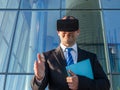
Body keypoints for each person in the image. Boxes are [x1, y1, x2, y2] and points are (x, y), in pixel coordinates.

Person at [31, 16, 110, 90]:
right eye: (64, 27)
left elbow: (105, 84)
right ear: (58, 32)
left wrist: (80, 83)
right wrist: (39, 78)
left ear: (78, 31)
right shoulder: (47, 57)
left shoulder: (91, 57)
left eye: (71, 27)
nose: (68, 31)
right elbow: (36, 88)